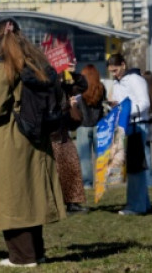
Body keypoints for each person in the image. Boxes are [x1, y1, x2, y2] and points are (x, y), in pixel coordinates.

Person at [0, 18, 66, 267]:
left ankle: (21, 257)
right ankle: (36, 251)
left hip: (11, 136)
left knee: (13, 197)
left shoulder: (3, 66)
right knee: (32, 193)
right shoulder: (37, 62)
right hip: (37, 135)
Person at [107, 53, 150, 215]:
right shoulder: (118, 83)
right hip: (126, 126)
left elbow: (144, 103)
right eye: (111, 71)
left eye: (115, 70)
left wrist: (124, 112)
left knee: (135, 168)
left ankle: (136, 205)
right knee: (134, 167)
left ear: (123, 65)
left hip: (136, 125)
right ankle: (143, 203)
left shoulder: (136, 80)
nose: (114, 74)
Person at [55, 68, 88, 214]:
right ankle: (58, 202)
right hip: (52, 134)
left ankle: (72, 202)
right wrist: (67, 105)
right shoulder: (47, 89)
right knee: (56, 171)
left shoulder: (65, 88)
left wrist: (74, 72)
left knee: (72, 165)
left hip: (63, 133)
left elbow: (82, 86)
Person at [73, 64, 107, 189]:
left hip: (82, 125)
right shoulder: (101, 88)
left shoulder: (79, 89)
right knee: (100, 156)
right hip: (99, 125)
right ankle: (101, 183)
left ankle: (87, 184)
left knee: (84, 158)